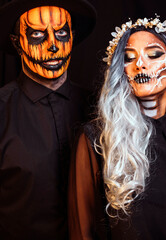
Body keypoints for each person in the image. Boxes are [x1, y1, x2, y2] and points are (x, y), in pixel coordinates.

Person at [68, 16, 166, 239]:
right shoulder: (96, 139)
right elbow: (82, 233)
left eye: (154, 54)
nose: (140, 64)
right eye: (128, 58)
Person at [0, 0, 96, 239]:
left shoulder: (101, 107)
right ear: (17, 43)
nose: (53, 46)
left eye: (61, 32)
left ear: (72, 37)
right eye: (36, 35)